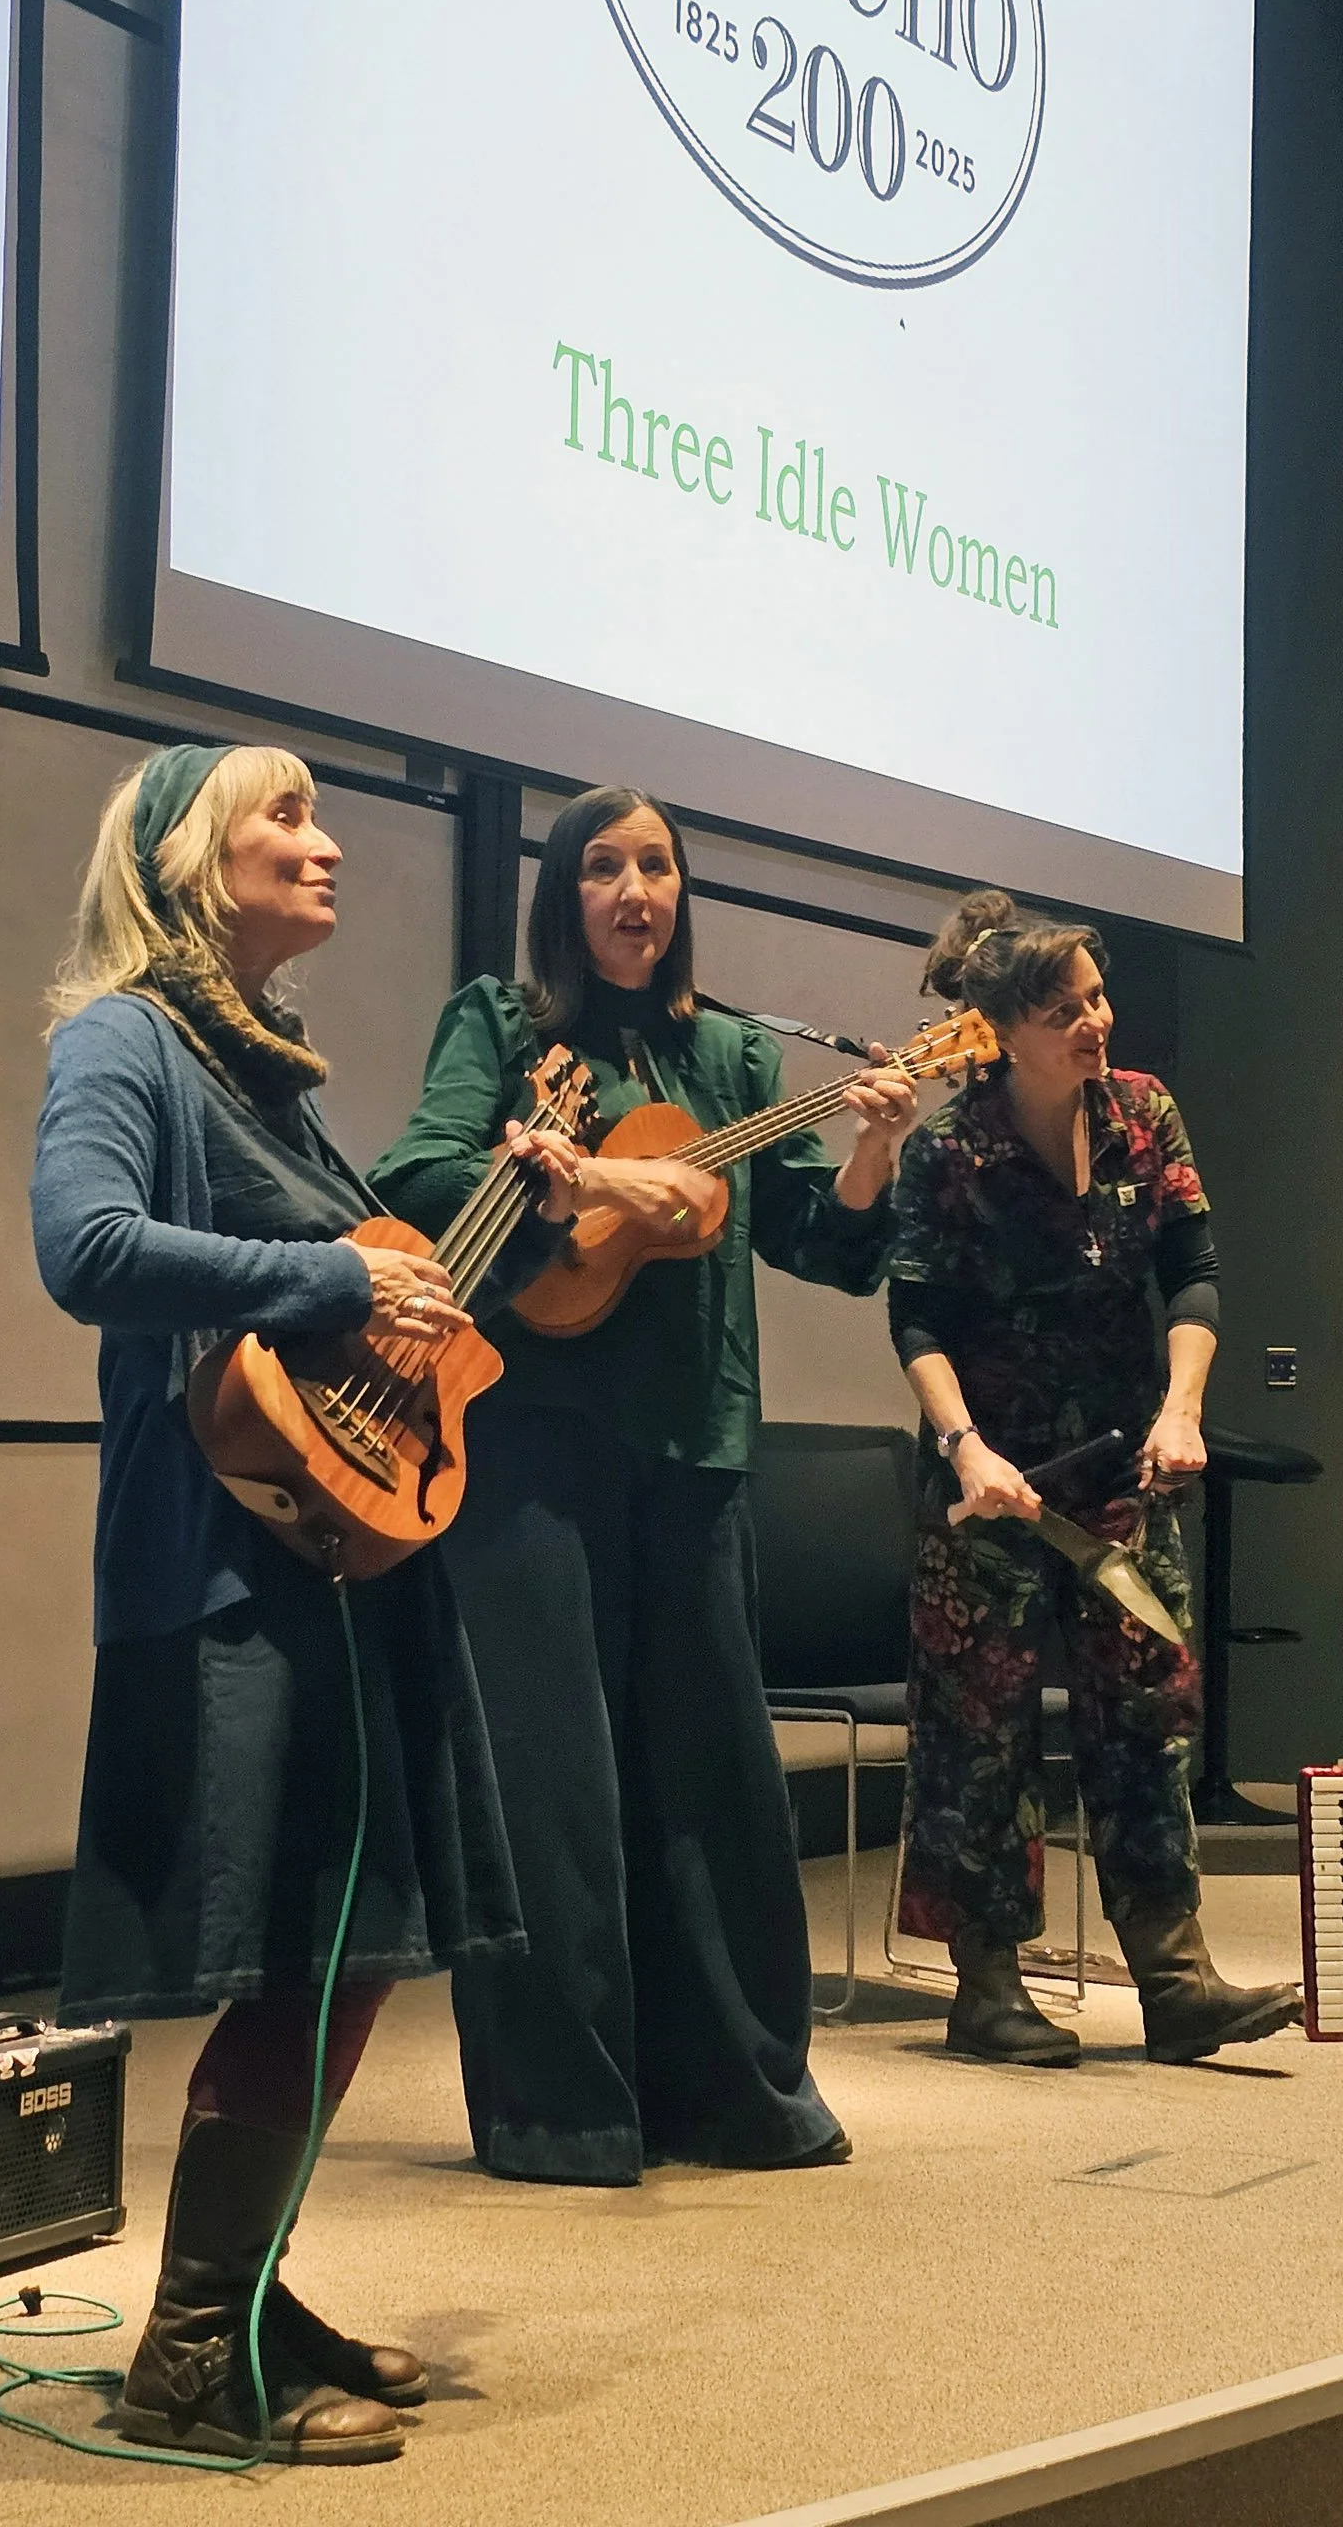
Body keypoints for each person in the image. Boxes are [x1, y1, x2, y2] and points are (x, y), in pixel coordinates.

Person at [31, 741, 579, 2465]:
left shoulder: (269, 1080)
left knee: (345, 1952)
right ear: (187, 862)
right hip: (225, 1568)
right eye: (284, 816)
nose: (324, 844)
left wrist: (506, 1227)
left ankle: (245, 2295)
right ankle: (190, 2354)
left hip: (335, 1566)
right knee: (301, 1953)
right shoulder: (125, 1038)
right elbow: (83, 1248)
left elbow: (381, 1309)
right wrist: (331, 1270)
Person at [368, 784, 918, 2186]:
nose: (634, 891)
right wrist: (585, 1189)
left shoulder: (731, 1053)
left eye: (656, 867)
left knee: (707, 1773)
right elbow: (414, 1172)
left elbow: (819, 1239)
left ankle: (735, 2096)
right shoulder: (504, 1026)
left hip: (693, 1441)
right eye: (603, 866)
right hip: (528, 1443)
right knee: (549, 1776)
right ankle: (566, 2111)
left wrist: (873, 1149)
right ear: (563, 893)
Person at [886, 887, 1302, 2069]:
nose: (1096, 1022)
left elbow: (1192, 1271)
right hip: (991, 1484)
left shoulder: (1143, 1114)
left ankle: (1175, 1981)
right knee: (982, 1733)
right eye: (1065, 1009)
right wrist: (965, 1447)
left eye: (1098, 998)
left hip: (1123, 1468)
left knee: (1147, 1712)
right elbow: (916, 1319)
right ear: (1005, 1031)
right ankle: (986, 1990)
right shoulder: (949, 1150)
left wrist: (1182, 1409)